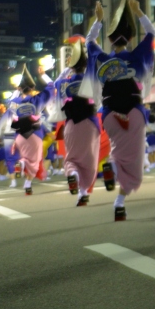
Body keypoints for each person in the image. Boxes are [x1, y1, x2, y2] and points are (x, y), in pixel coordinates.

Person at [85, 0, 155, 221]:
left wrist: (98, 21)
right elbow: (152, 34)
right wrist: (139, 13)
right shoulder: (136, 57)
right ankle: (119, 201)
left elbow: (89, 41)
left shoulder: (102, 59)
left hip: (109, 113)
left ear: (109, 39)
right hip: (134, 111)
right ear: (131, 38)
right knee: (134, 161)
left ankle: (112, 168)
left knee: (117, 149)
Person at [55, 33, 99, 204]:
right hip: (90, 123)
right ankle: (83, 192)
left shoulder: (63, 83)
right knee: (89, 159)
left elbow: (55, 84)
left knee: (72, 158)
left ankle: (72, 174)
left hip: (71, 123)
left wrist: (68, 70)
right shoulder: (90, 79)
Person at [5, 66, 48, 195]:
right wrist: (44, 75)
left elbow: (10, 103)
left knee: (25, 157)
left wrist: (17, 91)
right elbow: (50, 88)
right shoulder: (36, 100)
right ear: (33, 88)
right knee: (35, 160)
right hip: (34, 133)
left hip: (19, 135)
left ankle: (23, 168)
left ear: (19, 88)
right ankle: (28, 182)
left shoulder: (13, 102)